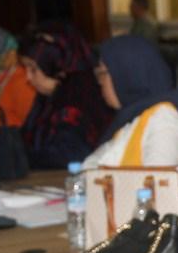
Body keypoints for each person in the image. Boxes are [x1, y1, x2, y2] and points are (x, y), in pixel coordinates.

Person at [84, 35, 178, 199]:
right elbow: (90, 167)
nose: (100, 82)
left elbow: (156, 189)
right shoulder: (134, 116)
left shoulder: (164, 120)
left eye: (102, 73)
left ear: (125, 74)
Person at [18, 23, 111, 168]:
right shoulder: (48, 97)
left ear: (56, 65)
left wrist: (19, 158)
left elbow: (69, 156)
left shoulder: (78, 98)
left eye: (33, 69)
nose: (28, 77)